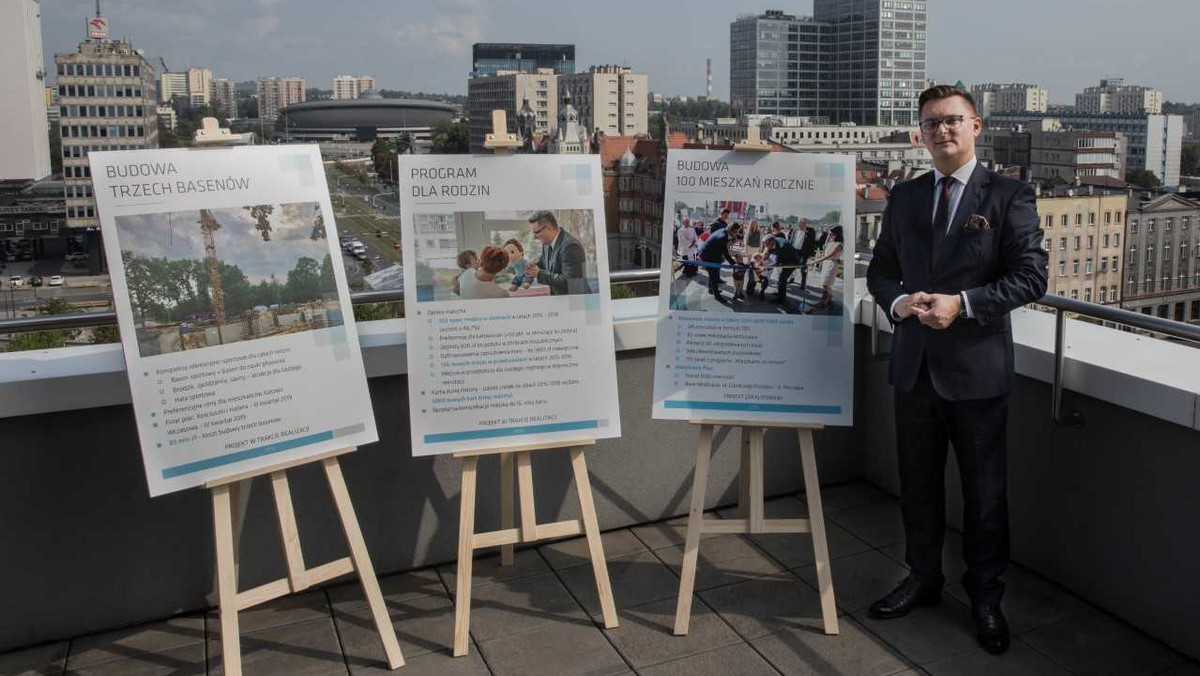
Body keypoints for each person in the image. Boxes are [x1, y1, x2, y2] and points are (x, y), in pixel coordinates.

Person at [865, 85, 1048, 655]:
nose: (940, 131)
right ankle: (922, 577)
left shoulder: (1009, 195)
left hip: (977, 372)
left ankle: (986, 598)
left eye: (951, 121)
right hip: (914, 369)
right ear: (919, 134)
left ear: (976, 126)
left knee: (984, 495)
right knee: (917, 488)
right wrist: (897, 304)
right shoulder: (906, 196)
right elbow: (881, 271)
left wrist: (962, 305)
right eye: (930, 124)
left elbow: (1031, 277)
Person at [524, 210, 592, 295]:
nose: (534, 237)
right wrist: (533, 267)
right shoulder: (546, 243)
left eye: (536, 232)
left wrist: (539, 274)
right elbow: (544, 263)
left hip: (575, 301)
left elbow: (569, 282)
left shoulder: (571, 246)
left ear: (548, 228)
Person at [697, 221, 742, 301]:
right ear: (732, 230)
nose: (737, 233)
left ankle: (711, 289)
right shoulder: (723, 236)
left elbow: (725, 249)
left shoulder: (724, 231)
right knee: (713, 275)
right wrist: (733, 263)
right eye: (736, 231)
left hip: (713, 252)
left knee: (714, 273)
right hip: (708, 255)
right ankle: (717, 296)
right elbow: (725, 252)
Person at [808, 225, 843, 311]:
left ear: (837, 234)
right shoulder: (831, 242)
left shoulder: (839, 244)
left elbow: (828, 256)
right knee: (824, 283)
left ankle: (827, 301)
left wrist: (814, 262)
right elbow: (825, 252)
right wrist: (828, 238)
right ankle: (826, 300)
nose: (830, 235)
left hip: (831, 264)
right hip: (827, 263)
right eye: (829, 234)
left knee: (826, 284)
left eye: (832, 234)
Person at [763, 234, 798, 306]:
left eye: (767, 244)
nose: (766, 246)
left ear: (772, 241)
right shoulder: (773, 241)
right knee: (780, 278)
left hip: (791, 262)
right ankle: (780, 293)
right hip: (784, 259)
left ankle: (781, 300)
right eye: (765, 244)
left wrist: (770, 266)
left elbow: (780, 262)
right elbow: (769, 251)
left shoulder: (783, 246)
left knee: (782, 279)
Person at [793, 218, 818, 300]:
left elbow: (812, 243)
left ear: (805, 223)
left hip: (803, 252)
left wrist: (811, 255)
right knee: (791, 266)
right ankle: (792, 278)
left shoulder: (810, 231)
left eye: (801, 223)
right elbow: (792, 239)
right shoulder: (795, 230)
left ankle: (803, 283)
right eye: (799, 223)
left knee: (803, 268)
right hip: (794, 251)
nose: (799, 224)